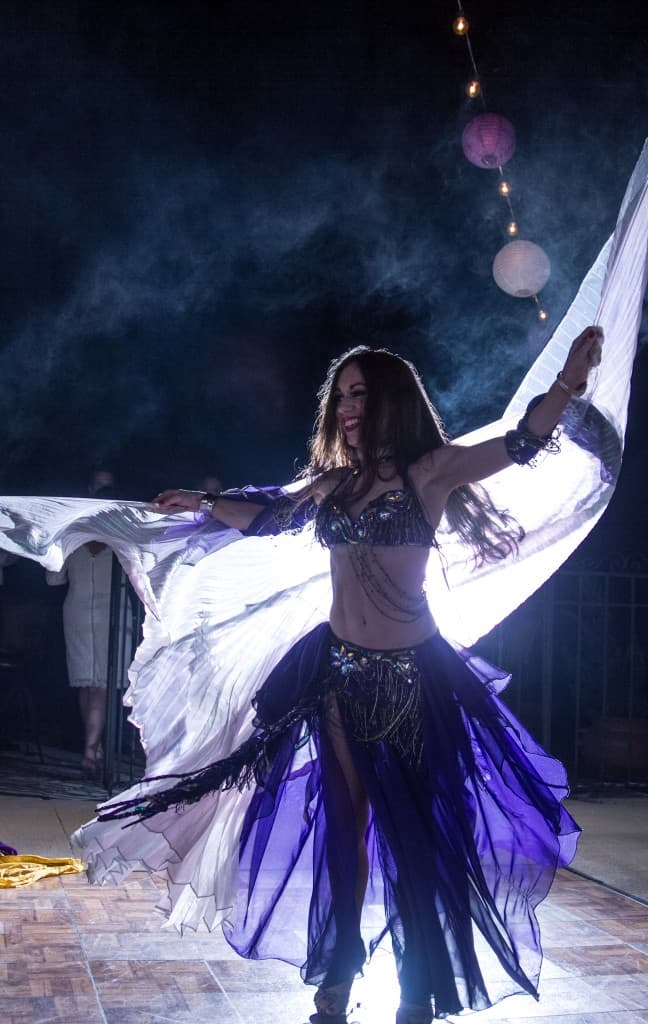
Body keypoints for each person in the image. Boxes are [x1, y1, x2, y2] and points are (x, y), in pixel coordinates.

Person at [88, 326, 601, 1024]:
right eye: (342, 396)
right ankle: (337, 970)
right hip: (336, 679)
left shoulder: (431, 473)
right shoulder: (334, 484)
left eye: (361, 394)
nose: (348, 407)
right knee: (342, 833)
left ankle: (418, 987)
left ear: (391, 400)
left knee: (416, 841)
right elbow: (269, 515)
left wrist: (568, 384)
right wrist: (204, 503)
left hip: (415, 684)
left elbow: (519, 443)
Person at [46, 468, 119, 775]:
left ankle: (91, 749)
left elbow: (53, 580)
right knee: (86, 683)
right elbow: (53, 577)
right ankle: (94, 746)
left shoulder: (120, 538)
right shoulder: (72, 536)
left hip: (108, 614)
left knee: (98, 684)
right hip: (79, 612)